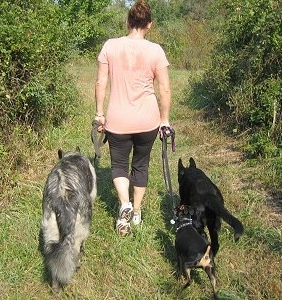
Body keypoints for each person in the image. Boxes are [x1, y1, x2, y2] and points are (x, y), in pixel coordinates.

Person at [94, 0, 172, 237]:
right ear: (149, 24)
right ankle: (136, 212)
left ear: (128, 22)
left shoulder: (110, 46)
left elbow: (101, 83)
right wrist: (165, 119)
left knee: (118, 165)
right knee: (140, 165)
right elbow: (165, 89)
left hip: (117, 121)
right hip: (147, 121)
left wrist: (99, 114)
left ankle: (124, 204)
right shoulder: (156, 51)